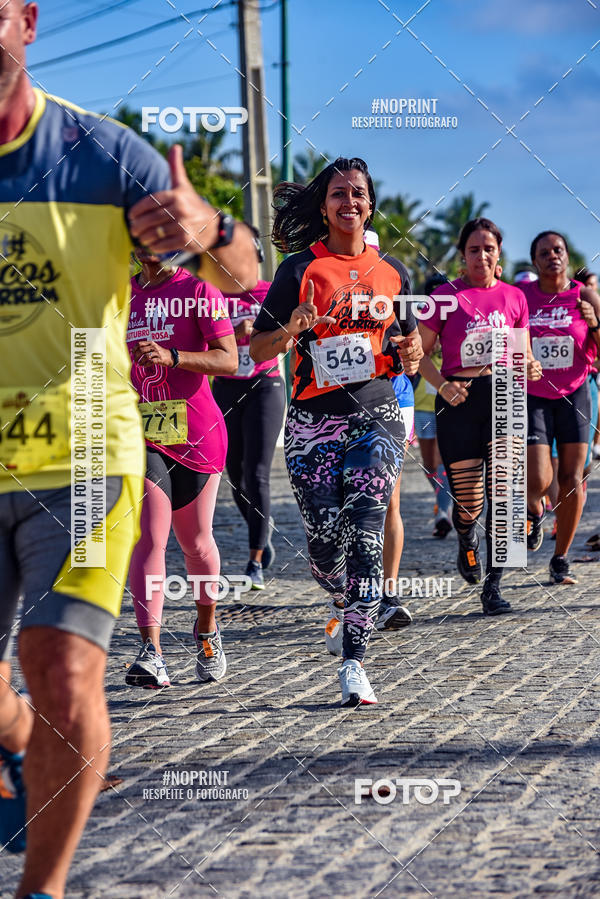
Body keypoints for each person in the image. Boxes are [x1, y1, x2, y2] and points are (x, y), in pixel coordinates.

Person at [0, 3, 259, 895]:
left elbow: (248, 274)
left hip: (82, 455)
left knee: (63, 666)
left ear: (27, 22)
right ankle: (22, 742)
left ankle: (43, 887)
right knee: (13, 692)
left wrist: (211, 230)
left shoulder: (101, 153)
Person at [250, 157, 422, 706]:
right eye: (339, 194)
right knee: (326, 549)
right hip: (312, 421)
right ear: (323, 207)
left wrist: (411, 351)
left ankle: (354, 661)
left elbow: (410, 349)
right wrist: (291, 328)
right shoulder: (299, 270)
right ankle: (338, 593)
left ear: (371, 206)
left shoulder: (393, 272)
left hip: (377, 414)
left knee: (367, 534)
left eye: (359, 194)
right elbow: (256, 349)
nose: (350, 202)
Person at [124, 249, 237, 688]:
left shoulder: (198, 291)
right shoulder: (118, 297)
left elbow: (228, 359)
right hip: (142, 431)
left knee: (195, 541)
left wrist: (174, 357)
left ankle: (206, 628)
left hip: (195, 432)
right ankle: (151, 651)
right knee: (150, 534)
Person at [418, 218, 542, 614]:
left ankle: (494, 586)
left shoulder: (515, 297)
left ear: (499, 253)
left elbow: (523, 352)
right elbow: (419, 354)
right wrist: (442, 384)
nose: (482, 256)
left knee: (505, 494)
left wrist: (530, 366)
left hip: (504, 393)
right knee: (469, 502)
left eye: (489, 248)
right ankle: (466, 537)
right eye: (474, 249)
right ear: (463, 255)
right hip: (459, 397)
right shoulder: (444, 296)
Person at [523, 232, 600, 583]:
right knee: (538, 477)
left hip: (576, 394)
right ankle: (535, 511)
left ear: (567, 256)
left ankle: (560, 557)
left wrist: (594, 322)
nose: (553, 256)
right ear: (535, 261)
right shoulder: (522, 296)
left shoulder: (586, 296)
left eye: (558, 250)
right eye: (544, 252)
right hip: (535, 396)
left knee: (572, 479)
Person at [212, 281, 286, 590]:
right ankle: (262, 525)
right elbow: (199, 339)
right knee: (237, 476)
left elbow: (289, 337)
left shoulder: (271, 290)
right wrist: (233, 332)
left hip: (265, 385)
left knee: (257, 475)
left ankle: (255, 561)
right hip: (227, 387)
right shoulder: (212, 293)